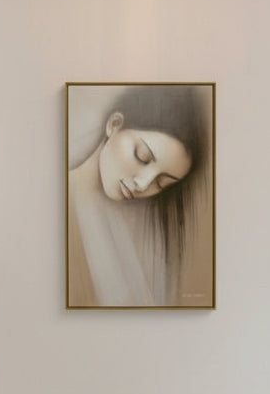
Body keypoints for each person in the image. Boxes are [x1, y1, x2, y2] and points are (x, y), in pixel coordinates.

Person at [67, 85, 208, 307]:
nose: (143, 184)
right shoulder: (57, 207)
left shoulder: (131, 236)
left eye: (162, 182)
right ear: (114, 125)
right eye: (142, 156)